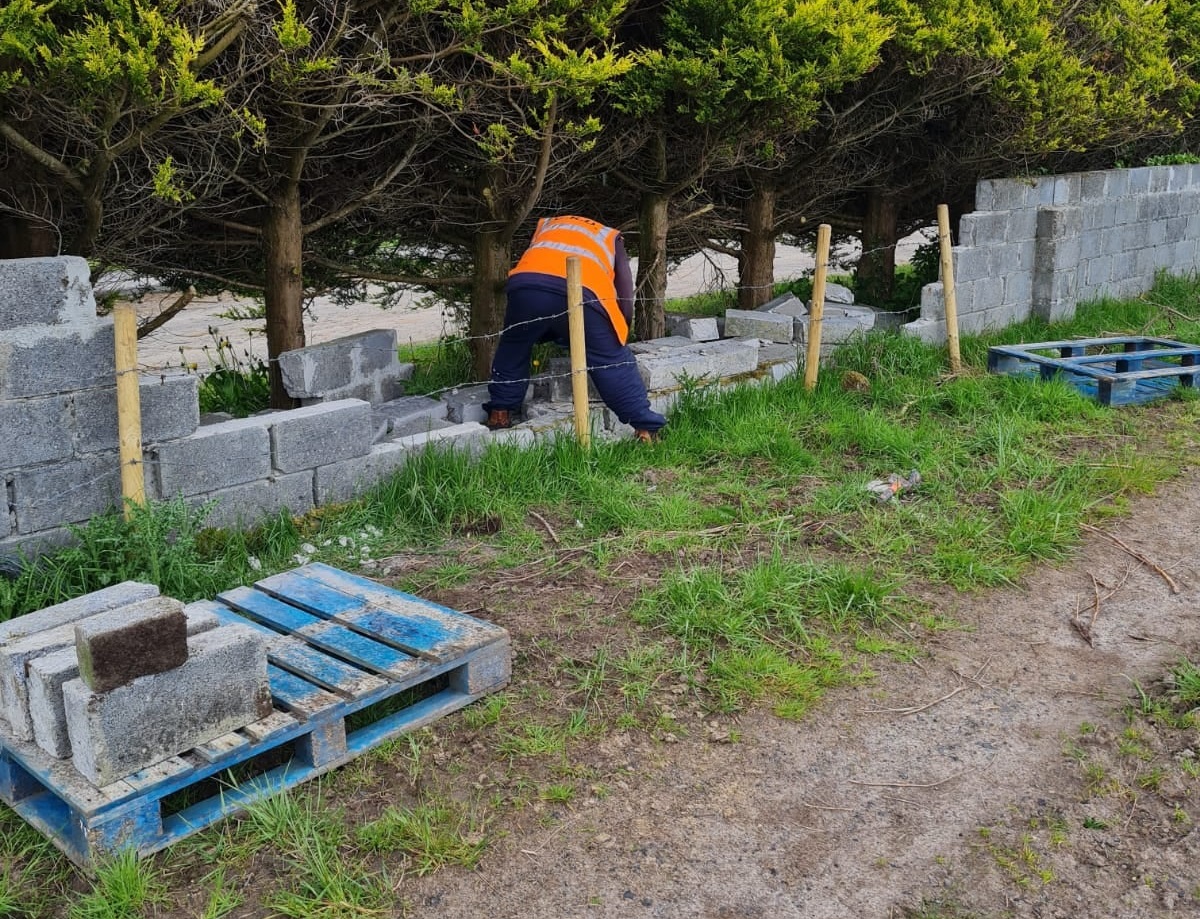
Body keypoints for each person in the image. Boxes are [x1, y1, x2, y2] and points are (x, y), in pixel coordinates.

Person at [483, 216, 667, 441]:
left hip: (525, 286)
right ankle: (645, 428)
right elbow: (624, 288)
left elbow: (542, 274)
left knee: (513, 346)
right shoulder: (610, 236)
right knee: (611, 361)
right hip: (583, 290)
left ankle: (499, 413)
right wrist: (619, 331)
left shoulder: (547, 224)